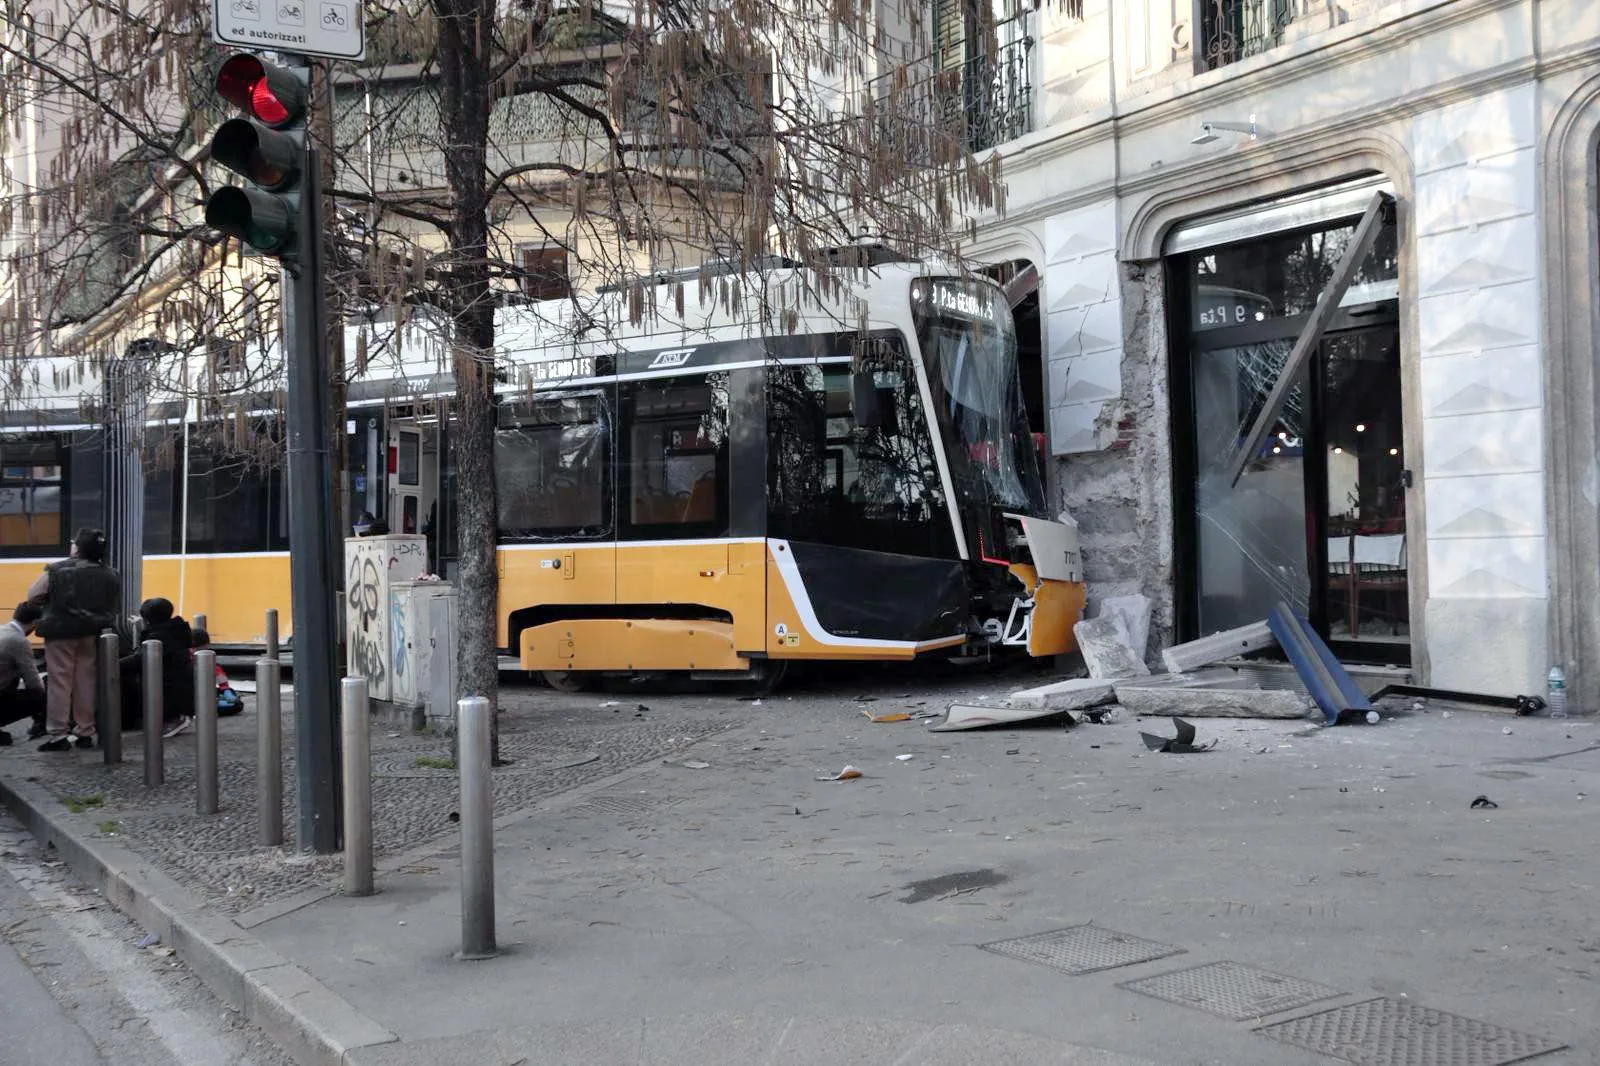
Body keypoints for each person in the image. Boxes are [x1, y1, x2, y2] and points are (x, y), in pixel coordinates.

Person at [28, 528, 119, 752]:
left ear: (78, 548)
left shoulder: (58, 569)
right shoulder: (109, 573)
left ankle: (58, 734)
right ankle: (85, 730)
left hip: (60, 631)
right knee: (85, 681)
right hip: (90, 632)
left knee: (60, 682)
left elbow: (34, 595)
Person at [119, 598, 195, 738]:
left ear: (148, 619)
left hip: (171, 691)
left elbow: (140, 659)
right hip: (181, 686)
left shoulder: (158, 636)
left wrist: (113, 664)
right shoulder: (175, 630)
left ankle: (175, 718)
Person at [0, 602, 47, 745]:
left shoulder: (2, 630)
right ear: (35, 622)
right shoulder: (18, 641)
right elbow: (34, 683)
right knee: (41, 696)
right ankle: (42, 726)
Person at [190, 628, 243, 716]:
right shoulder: (187, 659)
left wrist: (226, 690)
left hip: (204, 692)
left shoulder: (208, 659)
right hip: (192, 695)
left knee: (234, 700)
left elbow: (220, 676)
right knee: (235, 705)